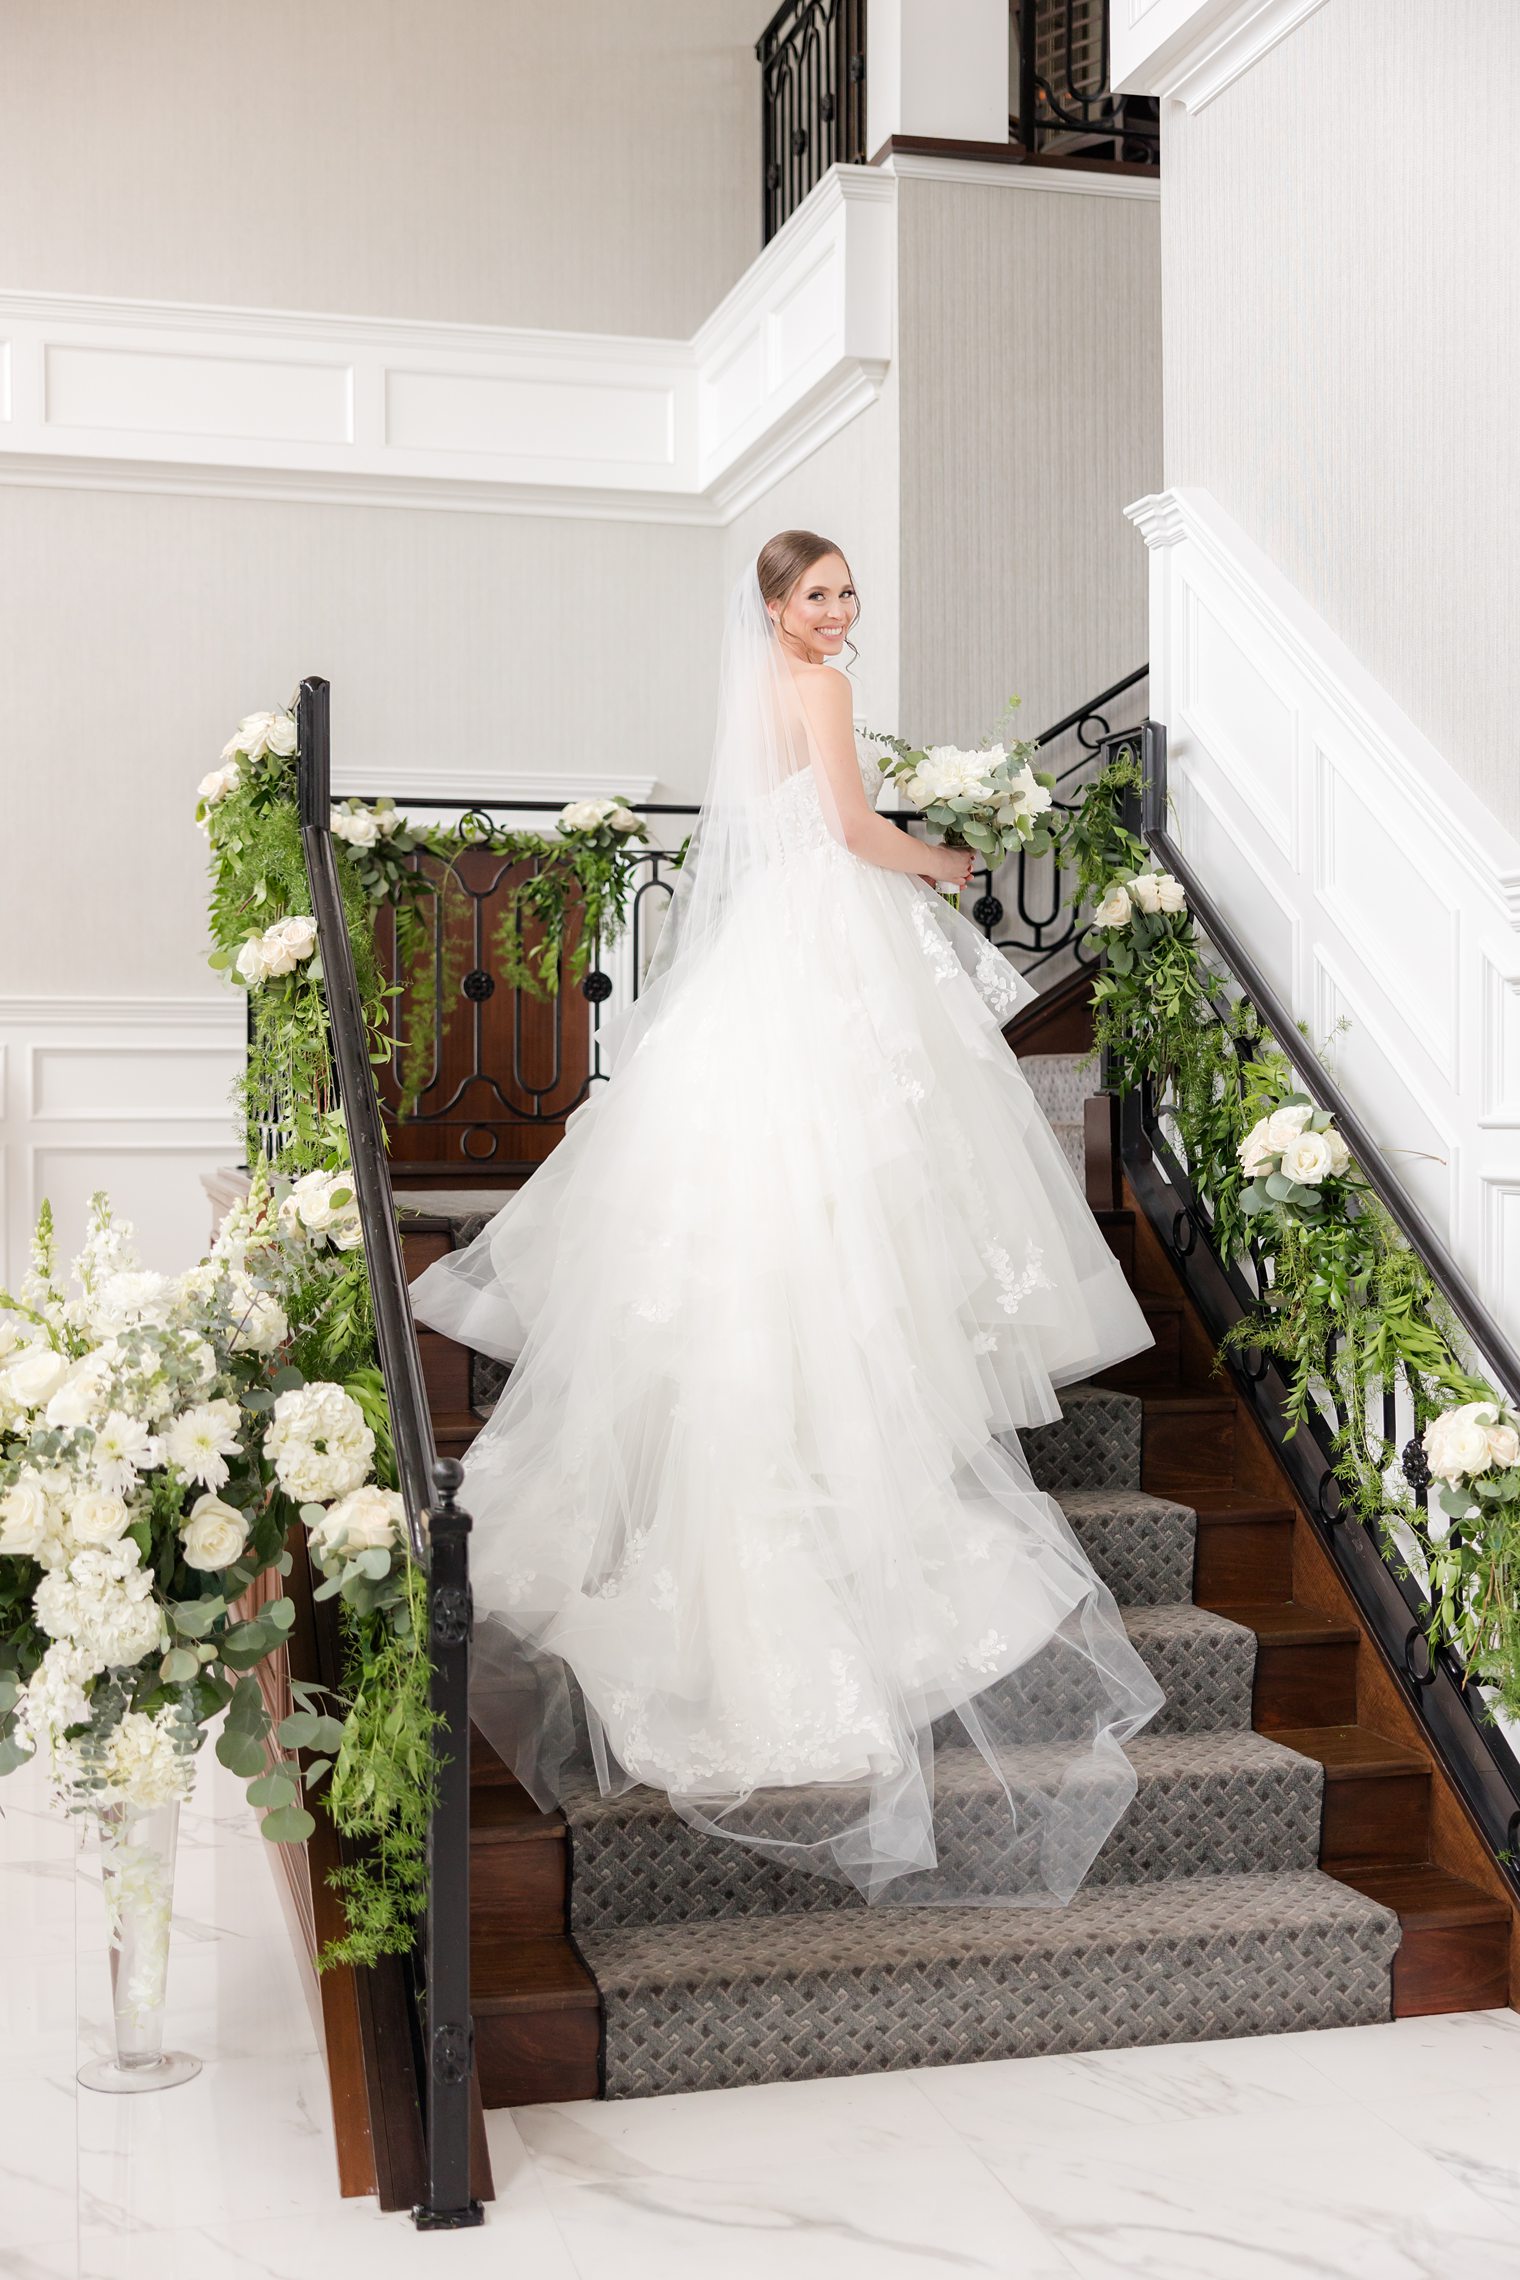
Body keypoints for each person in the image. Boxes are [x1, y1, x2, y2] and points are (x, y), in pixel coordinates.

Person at [409, 529, 1164, 1905]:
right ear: (773, 604)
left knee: (788, 1196)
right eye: (818, 595)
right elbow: (855, 831)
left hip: (774, 952)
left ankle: (795, 1448)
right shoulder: (813, 687)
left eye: (847, 592)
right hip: (829, 943)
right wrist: (949, 862)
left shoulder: (758, 684)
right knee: (858, 1184)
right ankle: (840, 1451)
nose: (839, 611)